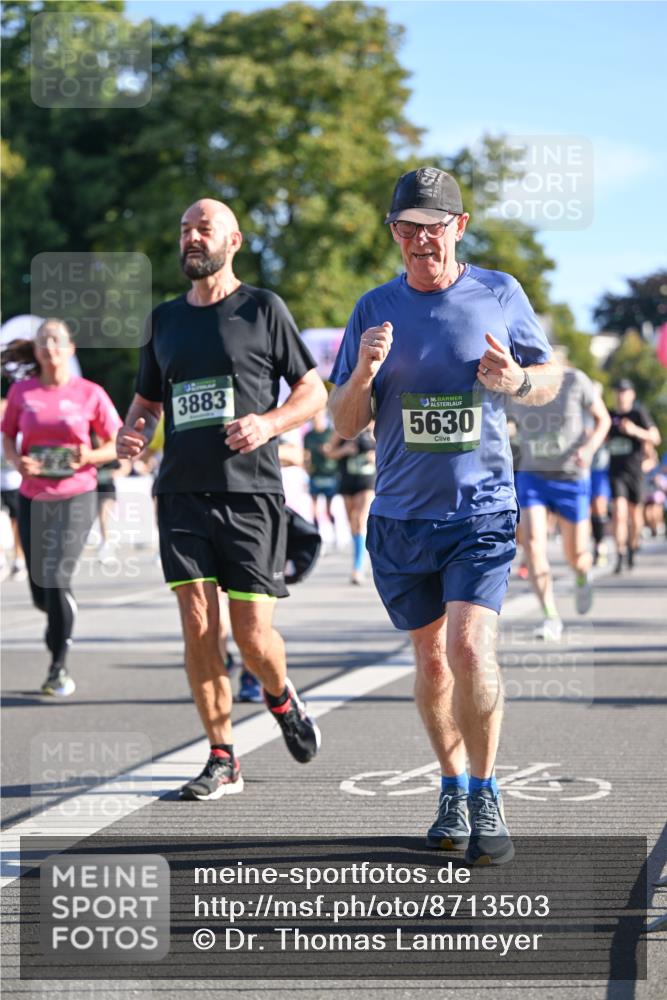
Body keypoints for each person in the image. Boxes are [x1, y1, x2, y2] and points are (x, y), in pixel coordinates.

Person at [329, 166, 561, 865]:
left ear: (458, 227)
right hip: (401, 515)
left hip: (480, 510)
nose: (420, 241)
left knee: (469, 649)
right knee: (431, 662)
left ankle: (486, 791)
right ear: (393, 233)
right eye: (407, 229)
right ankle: (452, 784)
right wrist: (363, 374)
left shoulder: (499, 293)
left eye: (432, 228)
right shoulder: (373, 308)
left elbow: (548, 377)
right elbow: (344, 421)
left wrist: (518, 379)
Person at [116, 198, 328, 801]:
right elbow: (147, 401)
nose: (191, 237)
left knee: (253, 635)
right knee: (198, 626)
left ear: (232, 241)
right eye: (184, 229)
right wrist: (134, 430)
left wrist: (269, 423)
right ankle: (222, 755)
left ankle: (280, 695)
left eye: (203, 228)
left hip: (250, 492)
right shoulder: (163, 320)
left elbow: (313, 391)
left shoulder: (264, 309)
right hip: (181, 491)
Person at [1, 323, 122, 695]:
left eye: (56, 340)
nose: (49, 346)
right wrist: (18, 462)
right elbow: (7, 436)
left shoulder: (90, 393)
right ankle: (57, 614)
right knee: (42, 591)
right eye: (43, 341)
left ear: (70, 348)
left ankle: (58, 667)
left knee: (56, 576)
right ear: (36, 351)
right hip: (33, 496)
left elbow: (116, 442)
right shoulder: (22, 392)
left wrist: (90, 456)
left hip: (77, 494)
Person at [507, 366, 611, 640]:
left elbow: (603, 420)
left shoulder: (575, 380)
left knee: (576, 555)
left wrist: (589, 449)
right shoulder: (516, 385)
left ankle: (582, 573)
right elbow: (505, 422)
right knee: (532, 544)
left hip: (571, 478)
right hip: (533, 476)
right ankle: (550, 615)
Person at [608, 379, 661, 573]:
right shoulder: (610, 415)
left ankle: (632, 546)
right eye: (618, 391)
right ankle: (620, 553)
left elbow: (656, 437)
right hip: (616, 472)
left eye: (625, 391)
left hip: (635, 473)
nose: (621, 395)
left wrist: (634, 430)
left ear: (632, 394)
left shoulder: (638, 414)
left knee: (635, 516)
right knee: (619, 513)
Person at [327, 424, 376, 584]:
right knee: (352, 524)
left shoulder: (376, 428)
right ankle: (362, 555)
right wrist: (344, 450)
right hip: (347, 481)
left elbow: (389, 451)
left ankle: (357, 567)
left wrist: (374, 457)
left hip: (367, 481)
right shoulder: (343, 427)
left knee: (360, 520)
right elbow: (329, 452)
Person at [0, 397, 28, 581]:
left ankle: (19, 559)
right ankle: (1, 559)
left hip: (15, 483)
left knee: (16, 522)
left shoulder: (17, 432)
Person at [304, 408, 339, 542]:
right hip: (315, 475)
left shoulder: (330, 433)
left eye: (318, 415)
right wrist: (307, 468)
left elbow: (336, 453)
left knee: (329, 510)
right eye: (313, 416)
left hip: (329, 475)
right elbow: (306, 455)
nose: (315, 418)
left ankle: (335, 535)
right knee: (313, 510)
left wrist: (329, 451)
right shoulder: (308, 436)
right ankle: (316, 538)